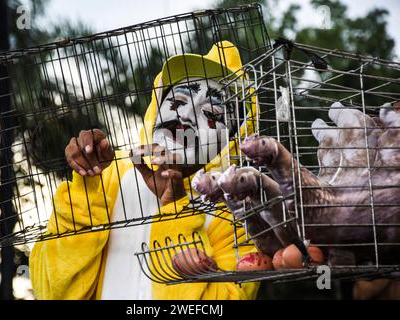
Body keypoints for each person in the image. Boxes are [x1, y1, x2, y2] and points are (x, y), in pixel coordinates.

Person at [30, 41, 260, 299]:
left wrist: (175, 211)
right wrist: (87, 188)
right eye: (178, 100)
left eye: (212, 112)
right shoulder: (110, 176)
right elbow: (51, 291)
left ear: (233, 138)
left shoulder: (241, 214)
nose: (186, 117)